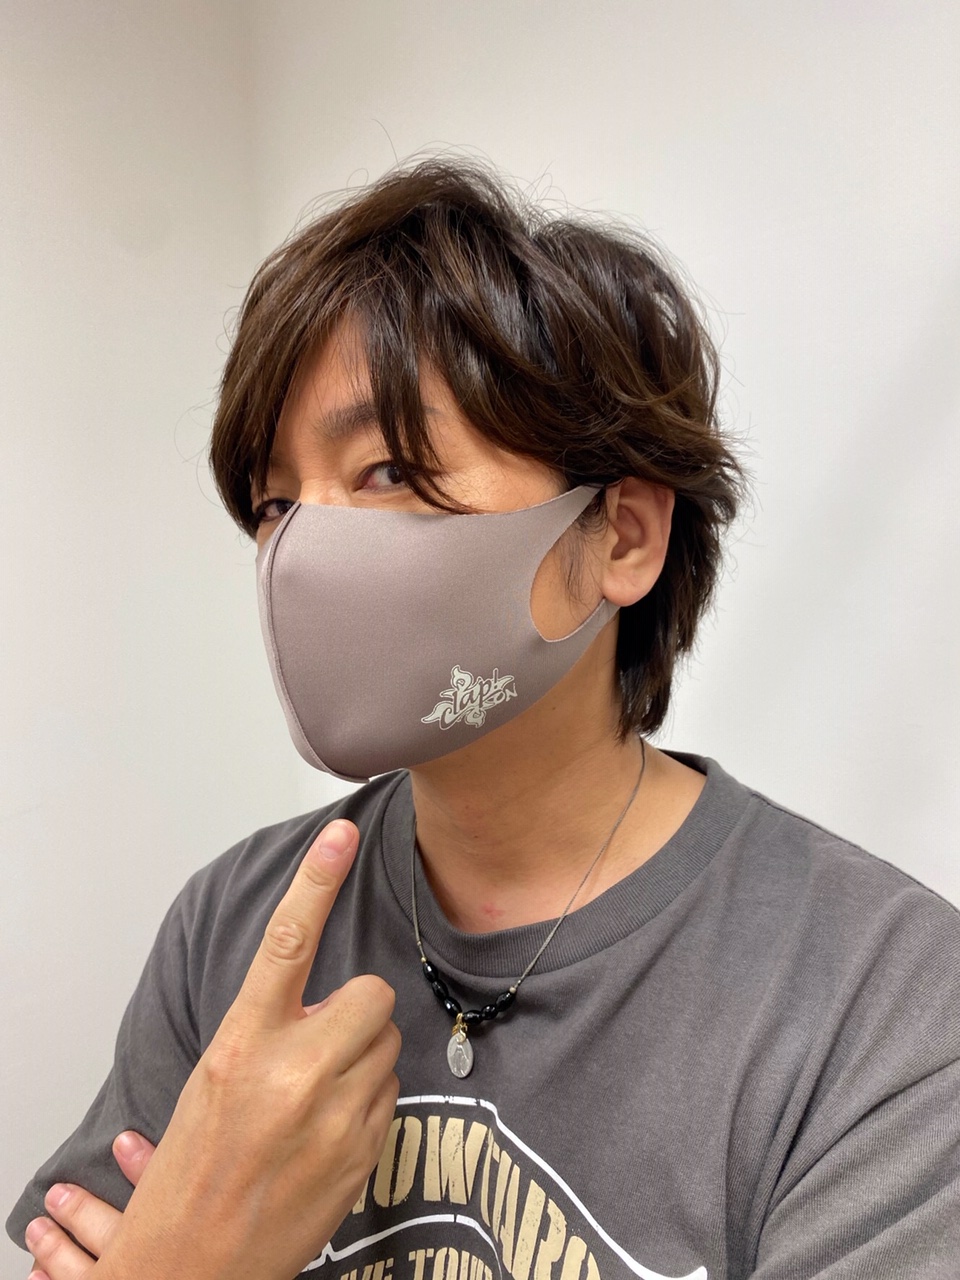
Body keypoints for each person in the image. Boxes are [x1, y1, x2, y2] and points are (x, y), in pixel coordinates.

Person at [8, 159, 960, 1280]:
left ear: (622, 536)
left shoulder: (880, 997)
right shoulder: (232, 927)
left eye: (388, 470)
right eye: (275, 501)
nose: (303, 550)